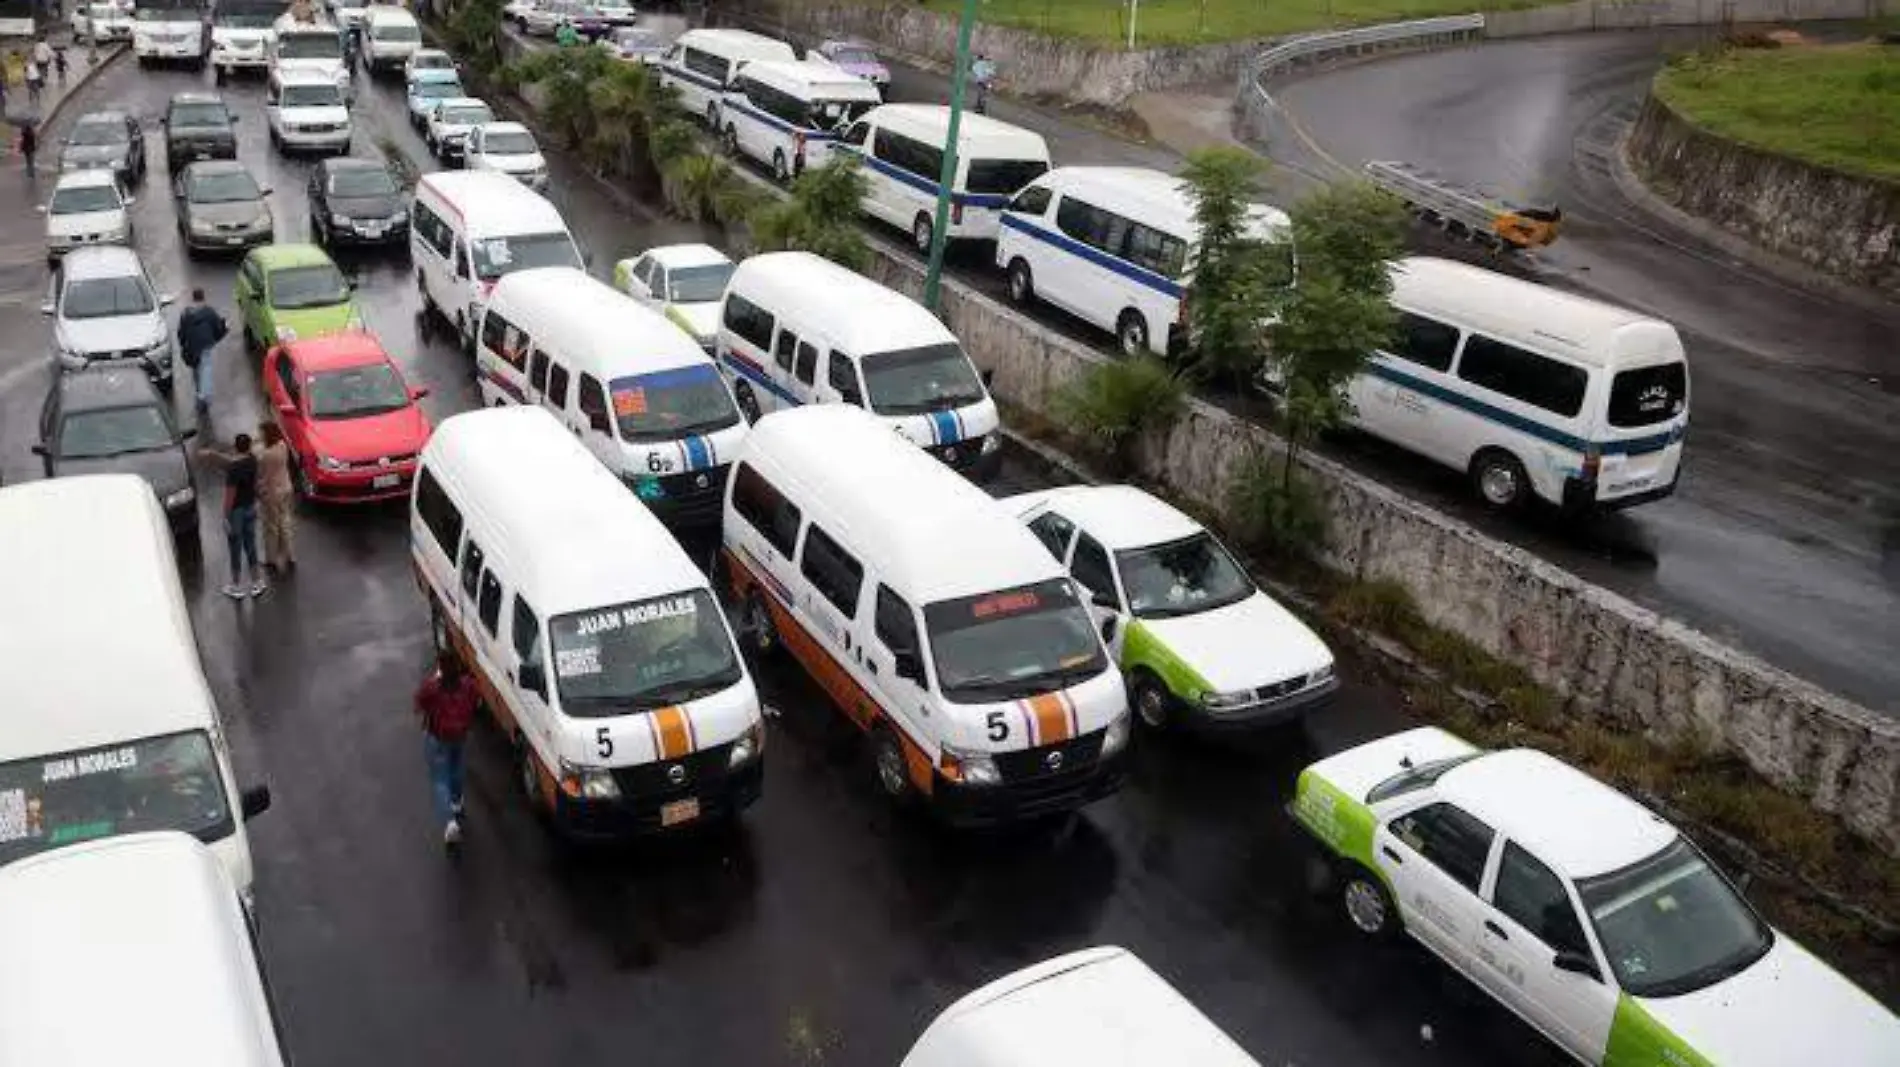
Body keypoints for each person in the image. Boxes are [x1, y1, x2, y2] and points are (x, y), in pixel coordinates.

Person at [414, 651, 478, 847]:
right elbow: (474, 701)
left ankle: (450, 823)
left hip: (437, 737)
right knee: (457, 768)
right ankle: (457, 803)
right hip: (460, 735)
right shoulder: (468, 684)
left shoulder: (433, 687)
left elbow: (418, 703)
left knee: (440, 779)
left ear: (441, 667)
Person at [201, 433, 266, 599]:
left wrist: (225, 517)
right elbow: (254, 482)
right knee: (250, 544)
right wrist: (213, 454)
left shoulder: (233, 469)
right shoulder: (252, 460)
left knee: (235, 547)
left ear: (235, 447)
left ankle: (236, 586)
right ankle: (257, 582)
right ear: (249, 446)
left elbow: (230, 495)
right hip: (250, 507)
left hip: (236, 512)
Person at [176, 288, 229, 413]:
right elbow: (217, 326)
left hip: (191, 347)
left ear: (193, 298)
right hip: (205, 345)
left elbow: (181, 332)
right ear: (203, 297)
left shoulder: (186, 313)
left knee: (196, 370)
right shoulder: (208, 311)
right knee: (206, 368)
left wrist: (184, 345)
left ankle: (199, 393)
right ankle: (204, 397)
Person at [256, 422, 297, 575]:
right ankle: (290, 555)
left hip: (273, 493)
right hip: (286, 487)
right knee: (285, 522)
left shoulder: (266, 455)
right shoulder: (282, 446)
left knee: (271, 526)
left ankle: (271, 558)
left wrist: (260, 491)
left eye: (261, 433)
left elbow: (264, 477)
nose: (260, 435)